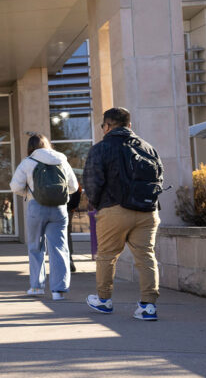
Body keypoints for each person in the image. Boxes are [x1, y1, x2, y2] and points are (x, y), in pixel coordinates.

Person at [84, 107, 162, 321]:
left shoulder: (101, 148)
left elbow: (93, 181)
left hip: (114, 209)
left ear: (107, 126)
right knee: (146, 256)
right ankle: (148, 306)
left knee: (107, 255)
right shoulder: (148, 147)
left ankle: (104, 300)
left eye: (102, 126)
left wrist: (96, 204)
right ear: (129, 125)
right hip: (147, 211)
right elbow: (159, 178)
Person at [9, 133, 79, 301]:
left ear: (30, 147)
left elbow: (15, 186)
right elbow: (74, 186)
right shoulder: (62, 160)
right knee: (59, 248)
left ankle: (36, 286)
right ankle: (58, 291)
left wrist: (30, 192)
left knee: (36, 247)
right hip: (59, 209)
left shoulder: (28, 162)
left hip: (36, 207)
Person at [66, 183, 83, 272]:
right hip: (67, 208)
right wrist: (72, 207)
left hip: (48, 207)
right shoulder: (67, 170)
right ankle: (69, 259)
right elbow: (78, 188)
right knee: (66, 234)